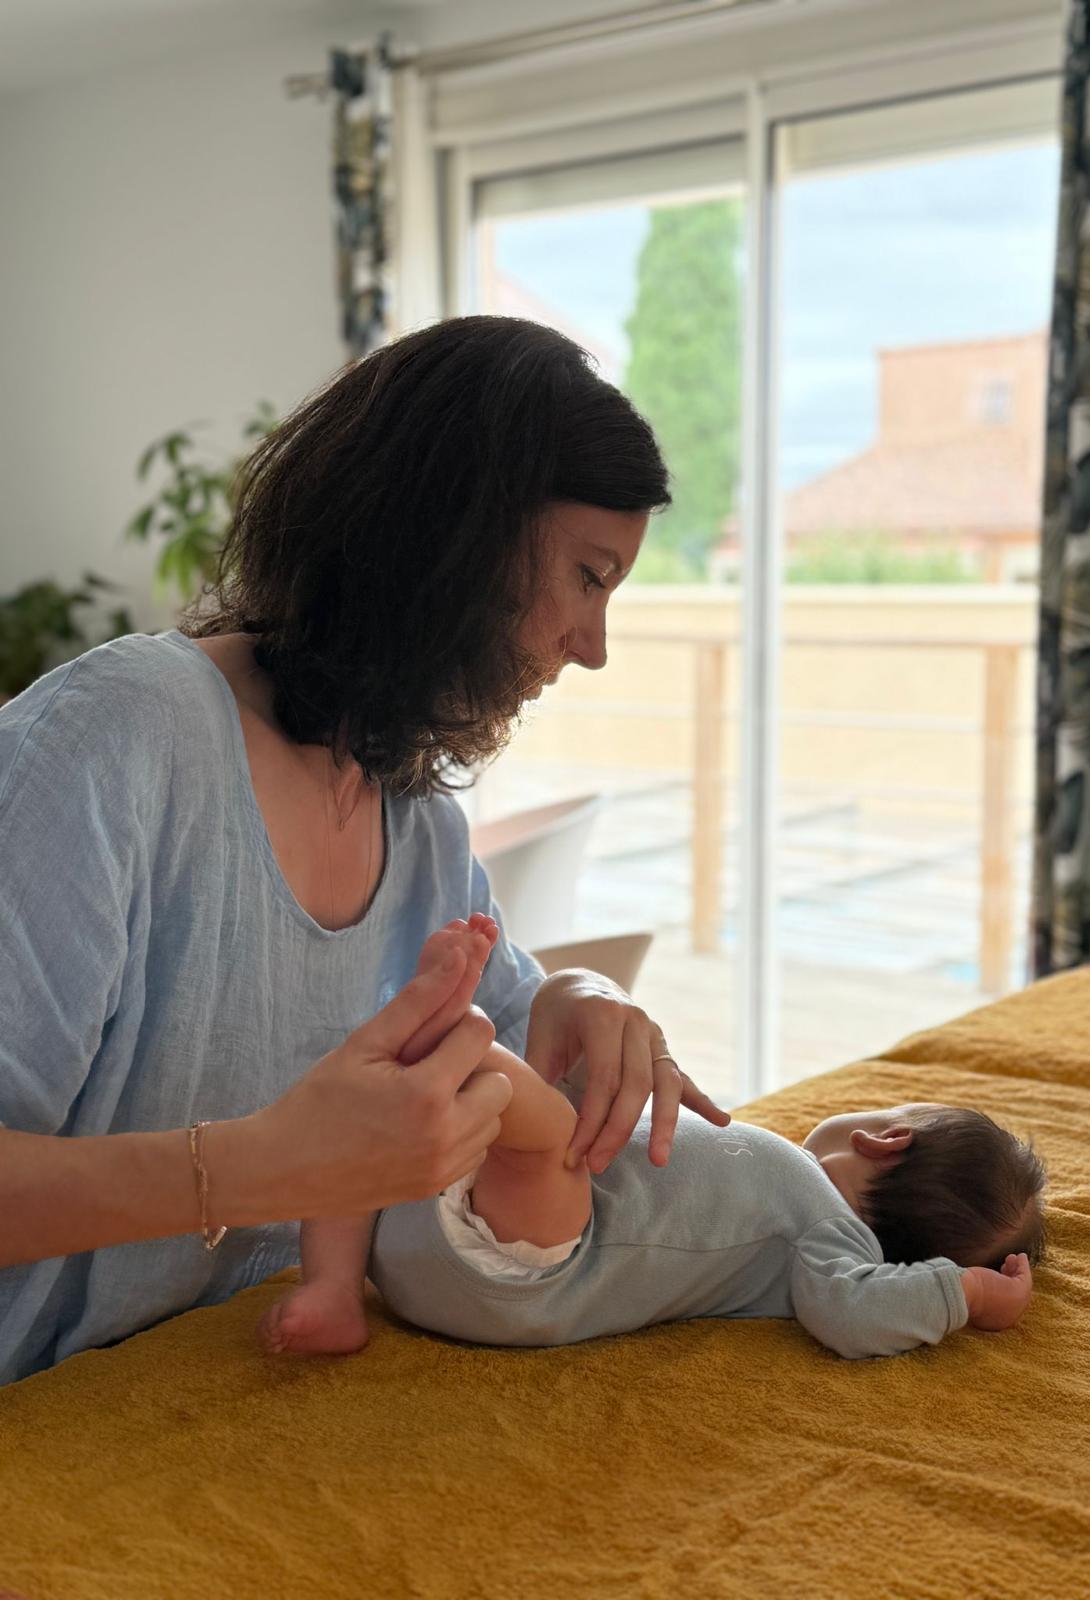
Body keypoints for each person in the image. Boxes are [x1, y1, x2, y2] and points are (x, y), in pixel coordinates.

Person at [0, 317, 729, 1387]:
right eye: (588, 575)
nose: (593, 647)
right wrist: (257, 1167)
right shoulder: (117, 737)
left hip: (209, 1407)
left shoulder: (412, 812)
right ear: (457, 535)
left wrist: (580, 994)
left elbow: (517, 1030)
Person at [261, 917, 1045, 1362]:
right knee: (368, 1138)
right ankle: (333, 1290)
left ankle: (449, 1032)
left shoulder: (834, 1239)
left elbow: (852, 1314)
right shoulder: (799, 1212)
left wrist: (966, 1293)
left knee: (545, 1137)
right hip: (453, 1229)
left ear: (885, 1138)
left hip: (553, 1262)